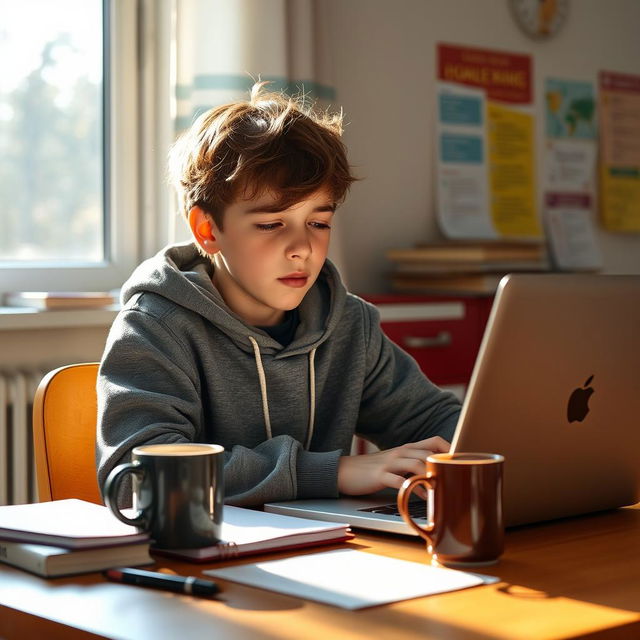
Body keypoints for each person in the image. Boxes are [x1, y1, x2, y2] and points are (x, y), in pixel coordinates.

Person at [96, 83, 461, 507]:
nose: (302, 248)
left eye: (319, 223)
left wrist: (472, 451)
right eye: (272, 224)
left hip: (329, 552)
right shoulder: (155, 327)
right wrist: (330, 472)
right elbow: (136, 481)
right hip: (207, 559)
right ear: (208, 230)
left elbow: (438, 423)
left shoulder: (349, 324)